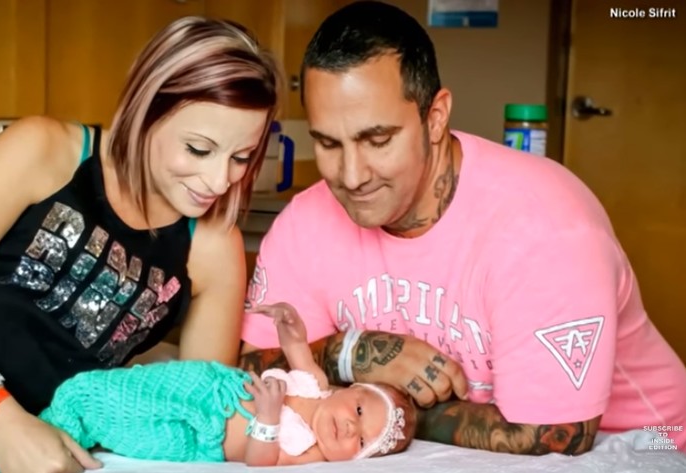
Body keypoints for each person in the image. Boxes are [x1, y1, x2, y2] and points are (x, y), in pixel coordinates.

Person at [238, 0, 686, 455]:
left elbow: (554, 435)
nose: (352, 176)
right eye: (328, 143)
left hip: (648, 440)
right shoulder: (305, 224)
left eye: (378, 140)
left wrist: (389, 411)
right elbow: (250, 377)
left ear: (435, 118)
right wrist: (353, 353)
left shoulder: (546, 228)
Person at [0, 16, 281, 473]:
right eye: (199, 149)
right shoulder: (44, 151)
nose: (219, 180)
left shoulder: (213, 249)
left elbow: (198, 411)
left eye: (242, 157)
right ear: (146, 110)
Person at [0, 301, 415, 472]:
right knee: (51, 404)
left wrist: (267, 419)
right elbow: (295, 346)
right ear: (351, 390)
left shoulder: (310, 450)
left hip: (191, 424)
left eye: (363, 441)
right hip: (197, 385)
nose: (351, 429)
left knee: (67, 412)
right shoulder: (315, 385)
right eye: (360, 410)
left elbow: (261, 460)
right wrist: (290, 326)